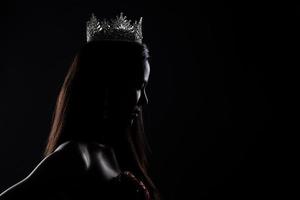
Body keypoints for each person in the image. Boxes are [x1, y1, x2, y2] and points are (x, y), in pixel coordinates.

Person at [0, 13, 161, 200]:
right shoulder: (76, 155)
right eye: (138, 87)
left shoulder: (115, 153)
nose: (144, 100)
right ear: (109, 85)